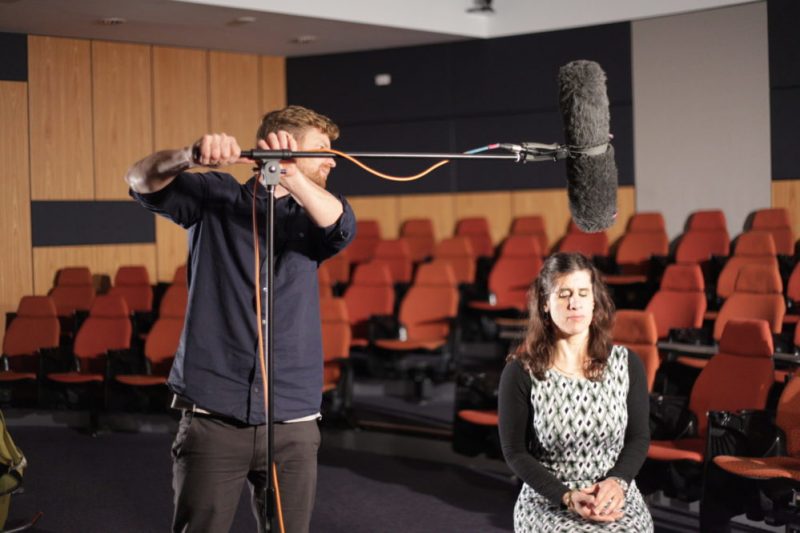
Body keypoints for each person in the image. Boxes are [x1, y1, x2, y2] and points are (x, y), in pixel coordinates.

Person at [125, 105, 356, 533]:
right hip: (215, 415)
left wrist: (292, 176)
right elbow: (139, 180)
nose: (331, 161)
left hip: (293, 422)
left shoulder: (316, 213)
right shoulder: (216, 197)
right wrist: (187, 156)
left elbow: (339, 225)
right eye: (322, 150)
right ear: (280, 147)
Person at [498, 252, 653, 532]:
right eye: (564, 294)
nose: (575, 303)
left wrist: (617, 482)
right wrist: (566, 497)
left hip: (613, 491)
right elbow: (515, 452)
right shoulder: (521, 371)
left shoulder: (626, 363)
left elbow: (639, 438)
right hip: (548, 497)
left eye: (583, 293)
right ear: (545, 303)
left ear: (595, 301)